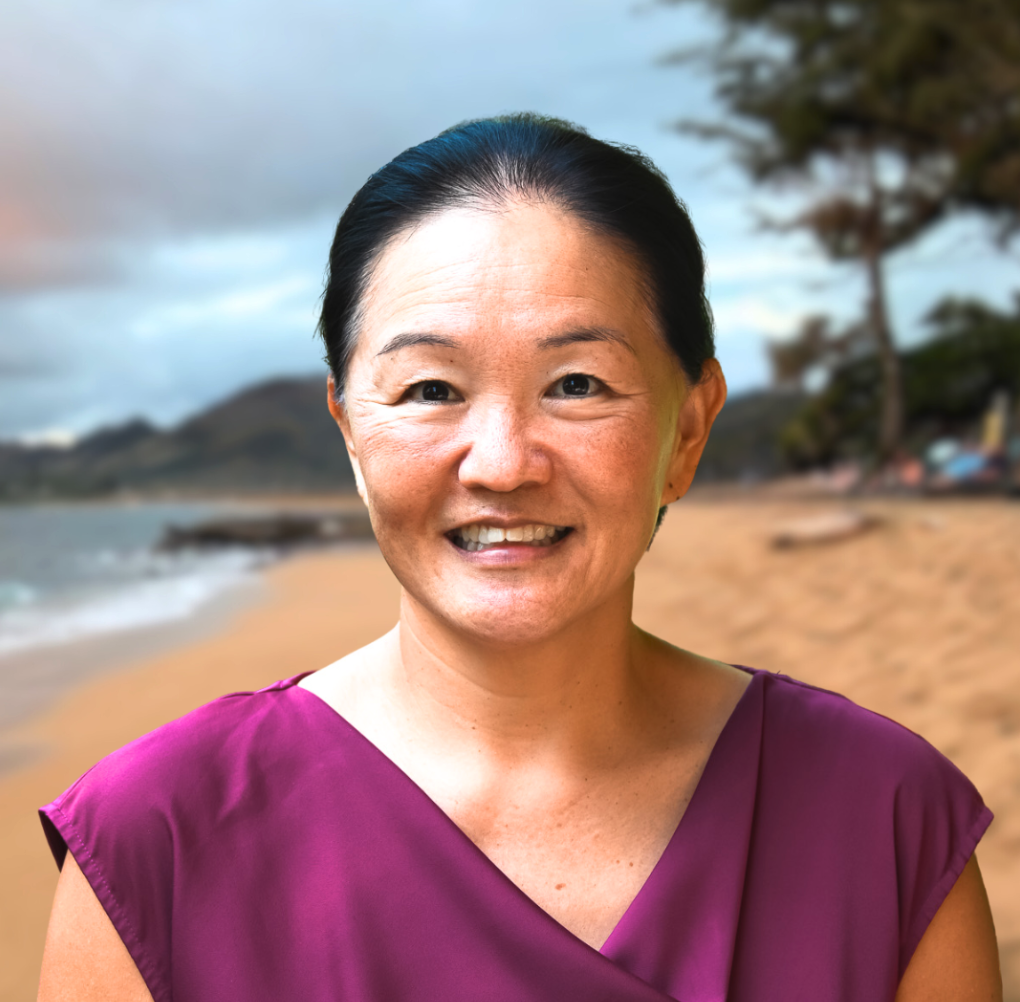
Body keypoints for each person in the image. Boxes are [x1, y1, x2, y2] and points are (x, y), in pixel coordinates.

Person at [37, 114, 1000, 1002]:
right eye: (428, 390)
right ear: (348, 431)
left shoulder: (883, 819)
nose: (501, 464)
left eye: (577, 383)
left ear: (691, 427)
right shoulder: (157, 845)